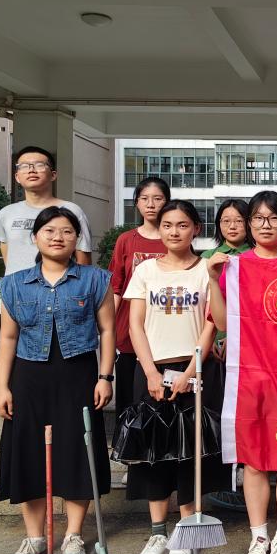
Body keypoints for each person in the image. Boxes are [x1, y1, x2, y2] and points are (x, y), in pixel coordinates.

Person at [0, 207, 114, 554]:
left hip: (78, 374)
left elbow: (107, 330)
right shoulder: (14, 284)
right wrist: (2, 387)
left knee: (77, 450)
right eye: (49, 230)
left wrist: (105, 377)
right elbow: (8, 338)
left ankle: (73, 534)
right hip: (29, 376)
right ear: (35, 237)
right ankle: (34, 537)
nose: (58, 237)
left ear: (77, 239)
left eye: (66, 231)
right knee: (28, 453)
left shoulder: (95, 279)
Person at [205, 191, 277, 554]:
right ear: (249, 224)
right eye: (258, 218)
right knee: (253, 458)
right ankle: (258, 538)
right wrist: (213, 278)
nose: (266, 225)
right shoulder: (235, 266)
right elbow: (221, 322)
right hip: (248, 375)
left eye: (274, 218)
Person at [124, 200, 226, 554]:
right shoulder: (146, 270)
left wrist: (190, 372)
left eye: (182, 225)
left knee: (189, 454)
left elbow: (212, 324)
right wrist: (150, 372)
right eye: (167, 225)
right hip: (151, 369)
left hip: (194, 368)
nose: (174, 231)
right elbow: (135, 324)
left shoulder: (205, 270)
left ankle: (185, 530)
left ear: (196, 228)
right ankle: (157, 533)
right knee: (153, 452)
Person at [0, 146, 93, 357]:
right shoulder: (6, 214)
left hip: (60, 304)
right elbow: (7, 255)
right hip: (13, 304)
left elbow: (83, 260)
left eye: (39, 165)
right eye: (24, 166)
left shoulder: (71, 211)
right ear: (17, 176)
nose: (31, 170)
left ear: (53, 174)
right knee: (9, 365)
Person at [200, 198, 253, 511]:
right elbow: (205, 305)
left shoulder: (255, 257)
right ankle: (223, 482)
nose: (232, 226)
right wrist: (218, 339)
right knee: (220, 414)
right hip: (217, 348)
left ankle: (246, 475)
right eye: (226, 221)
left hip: (251, 347)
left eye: (239, 220)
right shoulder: (207, 258)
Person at [109, 176, 169, 416]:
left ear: (167, 202)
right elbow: (116, 287)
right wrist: (108, 329)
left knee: (162, 401)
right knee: (128, 400)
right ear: (136, 203)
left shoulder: (174, 238)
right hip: (128, 332)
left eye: (157, 198)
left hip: (164, 332)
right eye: (144, 199)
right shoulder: (126, 240)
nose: (151, 204)